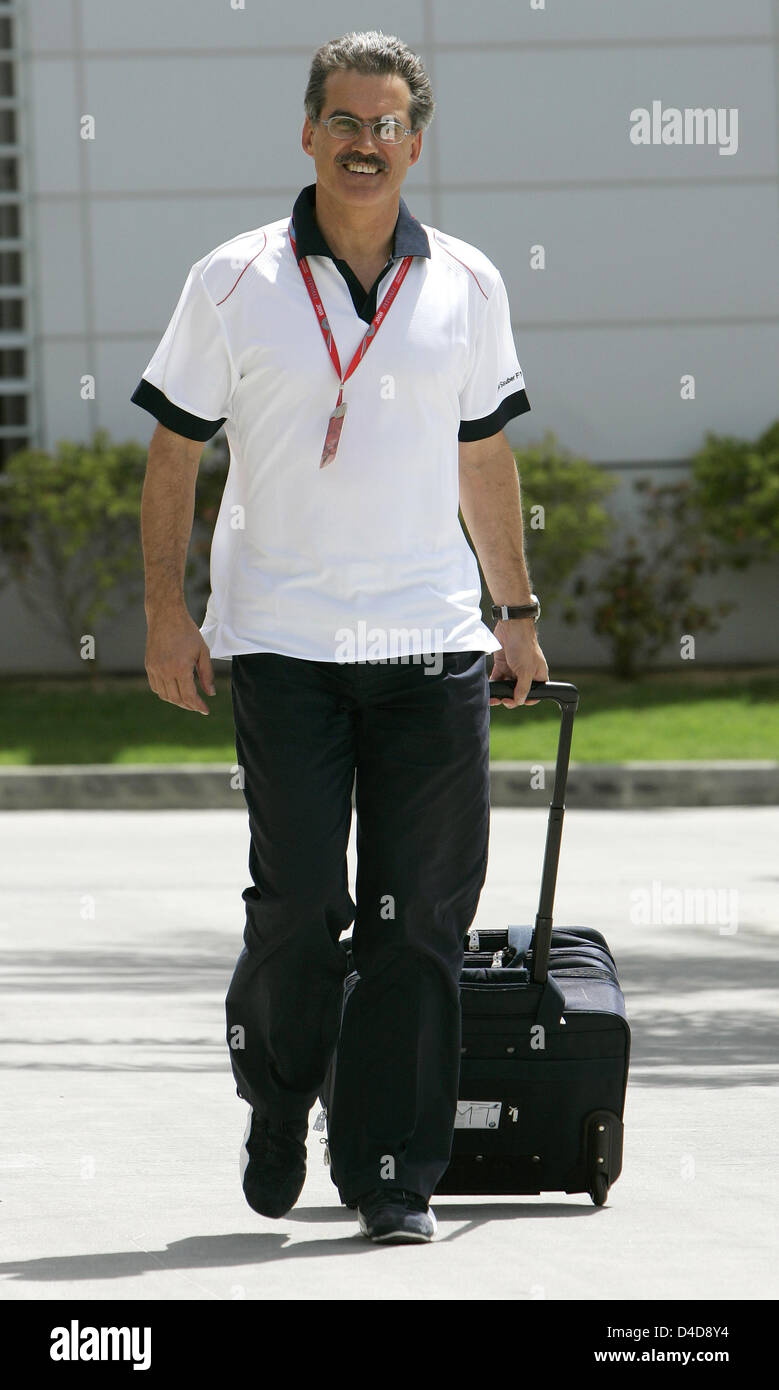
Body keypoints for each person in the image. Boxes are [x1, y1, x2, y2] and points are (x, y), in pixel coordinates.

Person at [132, 30, 548, 1245]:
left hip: (430, 642)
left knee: (419, 912)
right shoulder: (231, 278)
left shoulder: (466, 279)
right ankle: (277, 1105)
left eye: (388, 125)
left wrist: (513, 615)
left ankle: (389, 1171)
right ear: (306, 132)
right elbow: (172, 453)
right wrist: (165, 611)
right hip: (282, 643)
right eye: (344, 122)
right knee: (301, 900)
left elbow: (481, 450)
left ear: (415, 142)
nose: (365, 144)